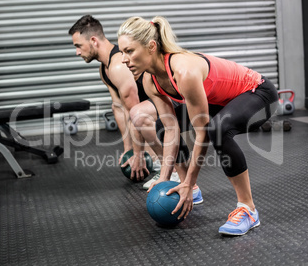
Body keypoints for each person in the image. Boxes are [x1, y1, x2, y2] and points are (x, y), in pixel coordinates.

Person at [117, 16, 279, 235]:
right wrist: (164, 178)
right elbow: (171, 128)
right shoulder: (150, 80)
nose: (124, 60)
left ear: (151, 47)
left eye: (129, 51)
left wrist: (192, 177)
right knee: (162, 126)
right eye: (122, 52)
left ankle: (247, 208)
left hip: (259, 94)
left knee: (217, 129)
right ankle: (188, 188)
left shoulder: (184, 71)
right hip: (221, 101)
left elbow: (202, 133)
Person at [68, 15, 205, 205]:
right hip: (152, 108)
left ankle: (173, 170)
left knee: (139, 116)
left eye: (78, 45)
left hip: (173, 101)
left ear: (93, 40)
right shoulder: (104, 69)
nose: (77, 52)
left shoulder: (117, 66)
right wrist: (128, 151)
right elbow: (119, 107)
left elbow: (133, 112)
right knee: (138, 116)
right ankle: (166, 165)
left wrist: (139, 154)